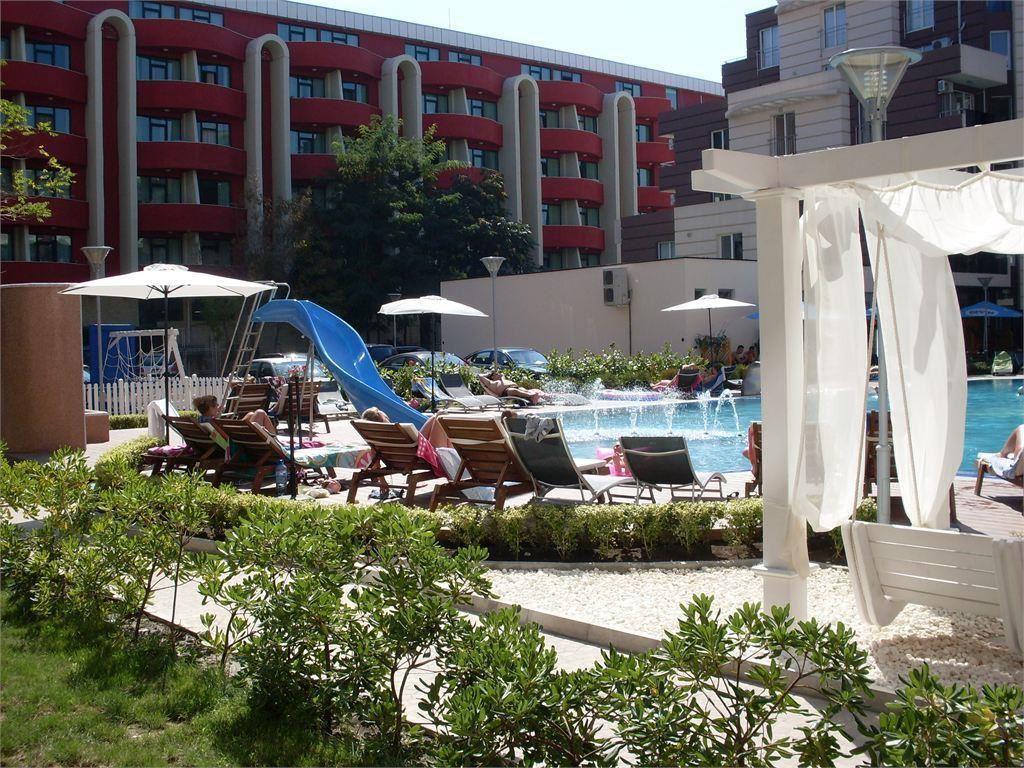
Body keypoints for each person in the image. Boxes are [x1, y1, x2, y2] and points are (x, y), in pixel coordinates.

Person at [193, 394, 275, 432]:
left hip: (233, 436)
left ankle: (275, 439)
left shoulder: (201, 420)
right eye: (216, 405)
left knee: (250, 414)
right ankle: (275, 441)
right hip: (239, 441)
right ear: (210, 407)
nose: (218, 406)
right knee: (260, 412)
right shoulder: (214, 422)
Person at [478, 371, 547, 405]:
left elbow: (502, 376)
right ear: (492, 377)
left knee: (525, 390)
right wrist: (489, 374)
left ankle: (544, 396)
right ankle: (532, 396)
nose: (498, 374)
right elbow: (480, 376)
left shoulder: (502, 379)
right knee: (514, 391)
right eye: (496, 374)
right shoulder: (491, 383)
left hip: (516, 387)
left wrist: (500, 377)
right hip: (506, 391)